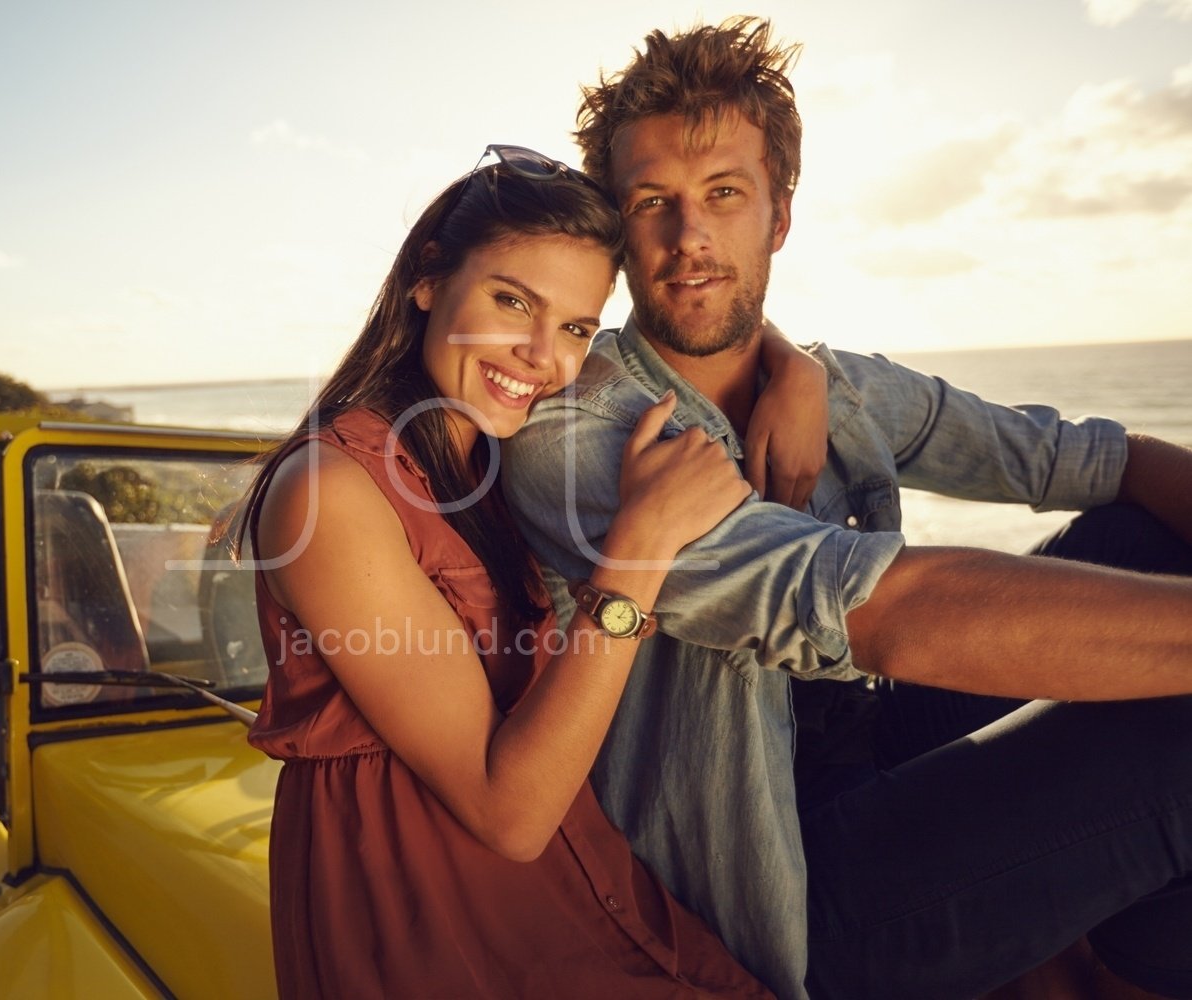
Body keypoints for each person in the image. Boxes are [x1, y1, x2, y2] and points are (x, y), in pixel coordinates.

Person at [501, 18, 1192, 1000]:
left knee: (1144, 539)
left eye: (724, 196)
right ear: (617, 230)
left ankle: (1117, 938)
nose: (689, 238)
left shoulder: (839, 388)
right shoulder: (581, 436)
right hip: (775, 894)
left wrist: (800, 365)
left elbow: (1099, 457)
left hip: (869, 747)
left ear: (778, 216)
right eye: (652, 202)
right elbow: (880, 612)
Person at [236, 144, 833, 998]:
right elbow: (506, 812)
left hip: (572, 894)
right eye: (512, 301)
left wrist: (794, 365)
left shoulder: (487, 461)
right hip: (431, 926)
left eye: (577, 328)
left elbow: (698, 320)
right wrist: (641, 544)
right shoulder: (333, 490)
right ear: (430, 279)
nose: (539, 356)